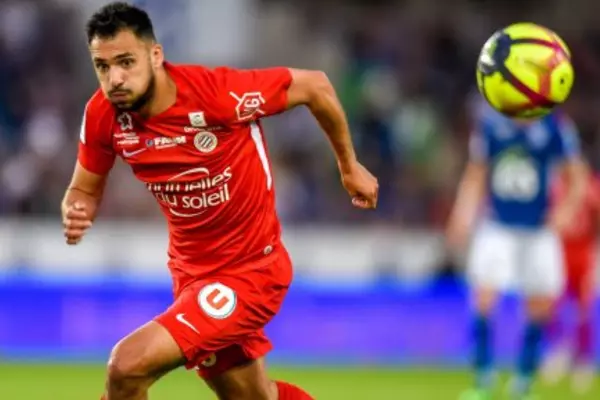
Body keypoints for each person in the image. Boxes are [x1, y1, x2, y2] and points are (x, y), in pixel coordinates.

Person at [61, 2, 379, 400]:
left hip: (251, 271)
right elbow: (84, 189)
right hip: (191, 276)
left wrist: (349, 166)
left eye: (126, 62)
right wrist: (77, 209)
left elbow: (315, 86)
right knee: (253, 397)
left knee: (126, 366)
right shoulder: (103, 115)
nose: (115, 79)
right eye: (103, 66)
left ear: (155, 55)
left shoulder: (216, 94)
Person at [446, 102, 586, 399]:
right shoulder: (490, 124)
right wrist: (463, 213)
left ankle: (524, 382)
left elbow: (576, 175)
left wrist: (566, 211)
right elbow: (476, 173)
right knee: (484, 296)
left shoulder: (555, 126)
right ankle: (482, 378)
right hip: (498, 224)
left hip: (538, 228)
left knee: (540, 304)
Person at [541, 169, 599, 393]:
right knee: (549, 306)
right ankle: (559, 349)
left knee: (583, 309)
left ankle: (583, 360)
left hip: (583, 253)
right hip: (558, 251)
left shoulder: (591, 187)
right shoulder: (555, 186)